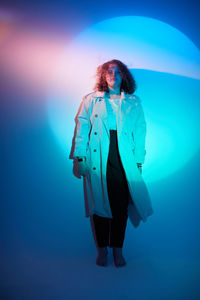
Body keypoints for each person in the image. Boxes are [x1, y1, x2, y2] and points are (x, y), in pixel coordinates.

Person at [71, 59, 153, 267]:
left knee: (120, 207)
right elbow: (82, 129)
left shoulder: (134, 102)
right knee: (99, 207)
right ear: (103, 76)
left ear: (123, 75)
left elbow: (140, 132)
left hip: (123, 158)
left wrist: (139, 162)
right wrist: (80, 157)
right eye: (109, 71)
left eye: (117, 71)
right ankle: (102, 251)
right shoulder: (91, 100)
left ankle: (118, 250)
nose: (113, 74)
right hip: (98, 157)